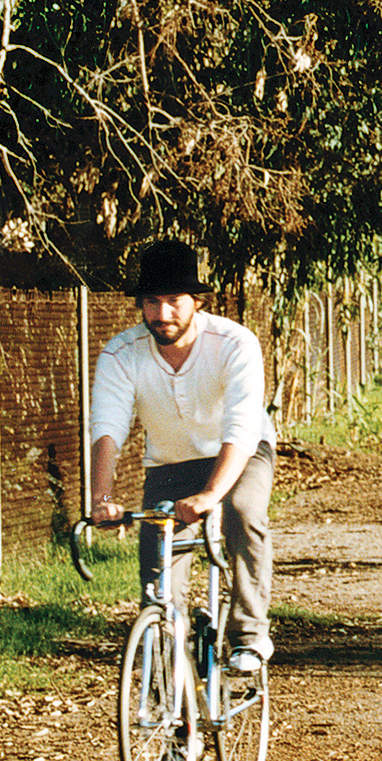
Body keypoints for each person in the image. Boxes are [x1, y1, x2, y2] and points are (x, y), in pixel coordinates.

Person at [87, 239, 277, 674]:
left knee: (242, 510)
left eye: (174, 301)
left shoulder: (233, 342)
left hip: (240, 453)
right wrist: (101, 497)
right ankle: (170, 693)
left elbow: (242, 426)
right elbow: (108, 428)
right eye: (152, 302)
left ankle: (250, 636)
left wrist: (213, 493)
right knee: (159, 582)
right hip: (170, 465)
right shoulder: (121, 353)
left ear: (197, 301)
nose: (162, 314)